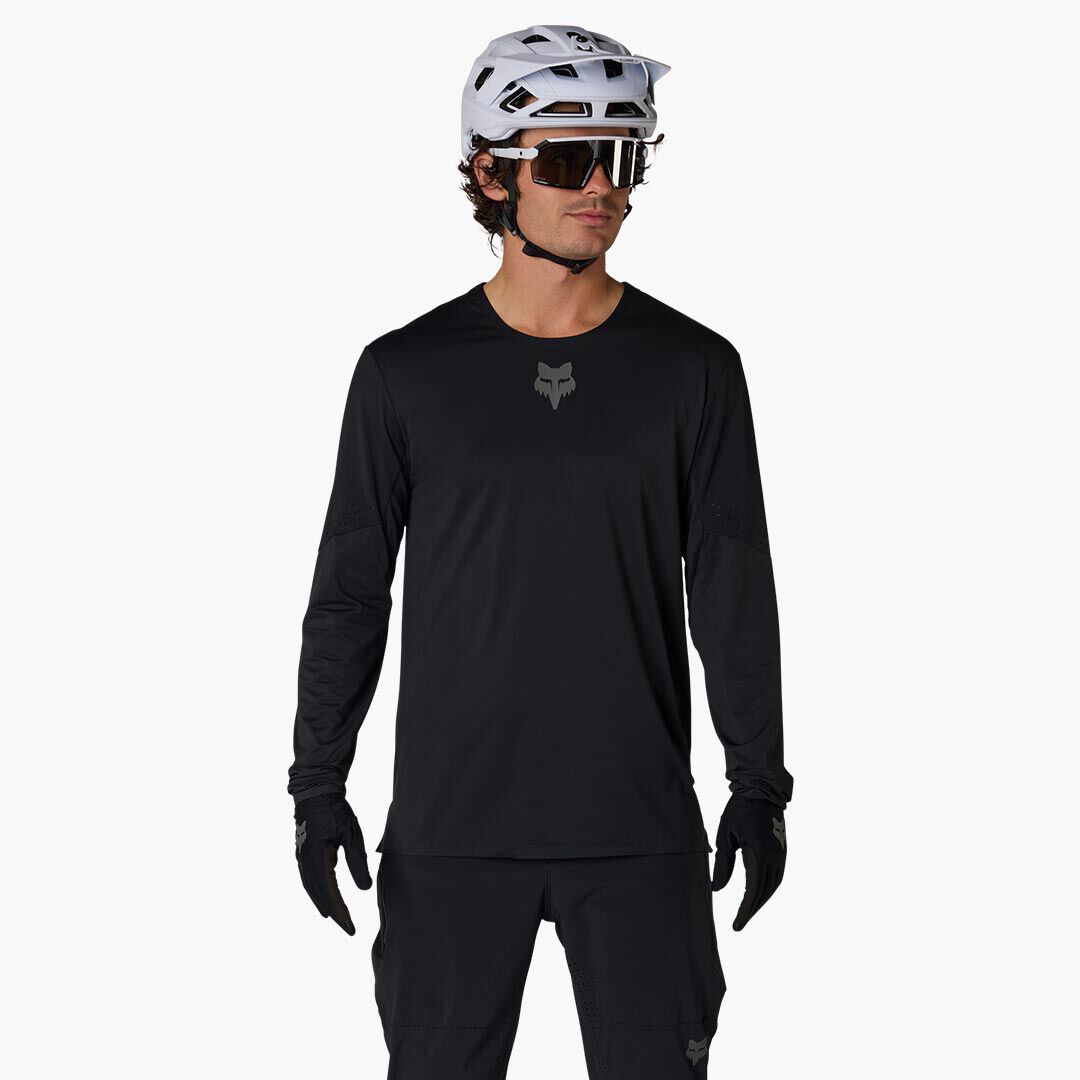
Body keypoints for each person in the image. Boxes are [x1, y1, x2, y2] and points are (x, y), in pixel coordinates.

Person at [288, 24, 793, 1079]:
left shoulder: (695, 369)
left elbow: (733, 590)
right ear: (490, 174)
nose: (602, 187)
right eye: (568, 160)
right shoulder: (403, 373)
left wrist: (759, 783)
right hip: (452, 831)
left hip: (640, 829)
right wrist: (317, 784)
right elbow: (351, 594)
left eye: (623, 157)